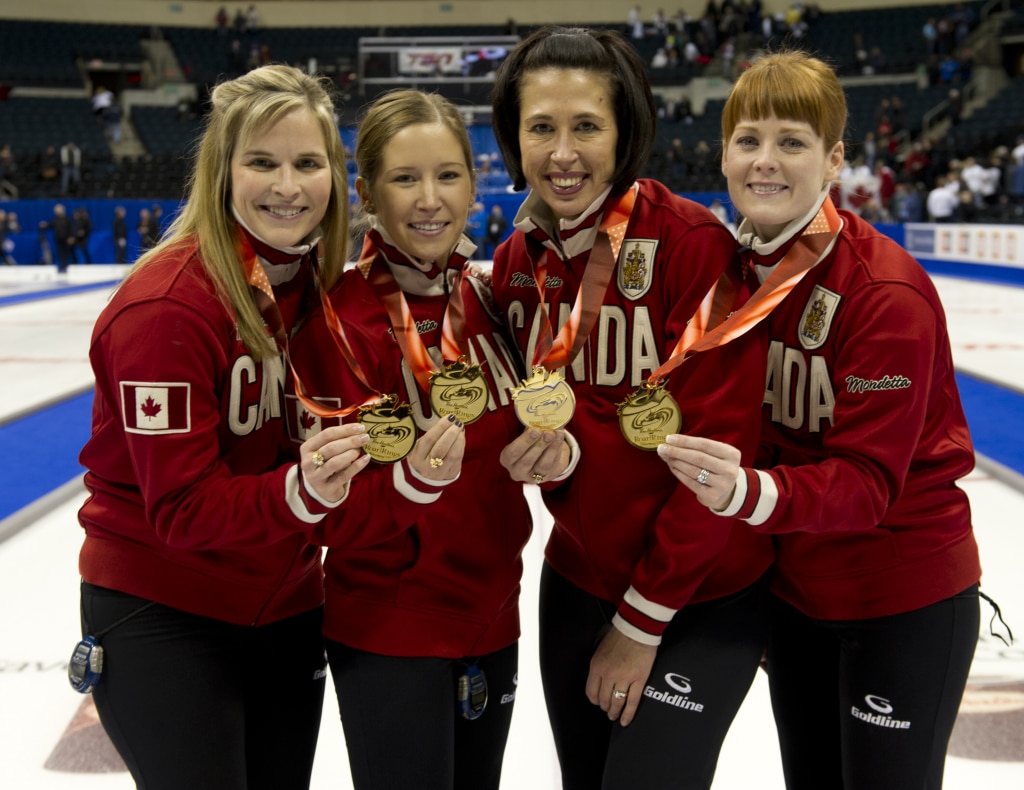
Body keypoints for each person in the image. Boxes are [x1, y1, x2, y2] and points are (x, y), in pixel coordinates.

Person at [657, 50, 983, 790]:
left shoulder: (884, 294)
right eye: (749, 141)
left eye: (793, 143)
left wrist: (748, 495)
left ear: (834, 160)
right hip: (798, 593)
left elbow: (868, 485)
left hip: (900, 599)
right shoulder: (726, 273)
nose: (765, 162)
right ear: (724, 154)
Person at [488, 26, 772, 789]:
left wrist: (642, 621)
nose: (562, 153)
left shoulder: (691, 246)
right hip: (577, 580)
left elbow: (722, 454)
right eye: (541, 127)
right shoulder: (518, 262)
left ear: (625, 132)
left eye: (587, 126)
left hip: (696, 594)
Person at [75, 64, 371, 789]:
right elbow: (179, 508)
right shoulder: (167, 309)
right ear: (221, 171)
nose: (287, 186)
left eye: (307, 163)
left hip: (287, 603)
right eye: (262, 162)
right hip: (166, 610)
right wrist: (300, 495)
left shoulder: (323, 292)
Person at [287, 88, 532, 790]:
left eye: (448, 175)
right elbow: (322, 511)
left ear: (474, 182)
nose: (430, 199)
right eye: (405, 178)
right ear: (365, 192)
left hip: (494, 614)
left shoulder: (487, 300)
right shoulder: (334, 318)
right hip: (391, 626)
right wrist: (411, 483)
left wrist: (556, 451)